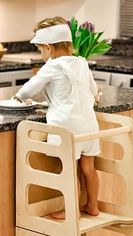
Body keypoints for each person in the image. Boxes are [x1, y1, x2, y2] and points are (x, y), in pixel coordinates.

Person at [13, 16, 100, 219]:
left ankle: (73, 211)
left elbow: (30, 88)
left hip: (66, 128)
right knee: (88, 167)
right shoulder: (81, 63)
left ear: (48, 48)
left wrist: (19, 97)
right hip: (89, 125)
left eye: (40, 50)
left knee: (69, 169)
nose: (41, 54)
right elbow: (93, 90)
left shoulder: (52, 66)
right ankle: (92, 206)